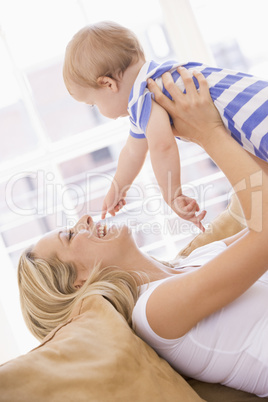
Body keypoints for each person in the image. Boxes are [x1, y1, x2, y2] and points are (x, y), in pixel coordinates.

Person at [18, 68, 268, 397]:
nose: (86, 220)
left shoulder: (188, 263)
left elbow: (260, 214)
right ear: (78, 281)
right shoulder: (153, 313)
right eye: (70, 235)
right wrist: (208, 132)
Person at [62, 21, 268, 232]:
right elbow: (133, 151)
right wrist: (118, 188)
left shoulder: (144, 95)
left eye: (94, 104)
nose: (99, 110)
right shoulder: (162, 76)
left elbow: (162, 146)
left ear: (108, 84)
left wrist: (172, 195)